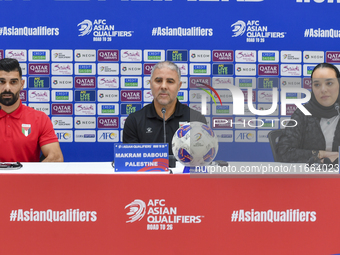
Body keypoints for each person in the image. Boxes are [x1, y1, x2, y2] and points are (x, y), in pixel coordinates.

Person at [123, 61, 207, 155]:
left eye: (170, 82)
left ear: (179, 86)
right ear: (150, 84)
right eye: (158, 81)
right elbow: (131, 163)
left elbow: (201, 158)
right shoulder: (134, 121)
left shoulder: (196, 119)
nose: (163, 86)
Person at [0, 58, 63, 162]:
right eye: (1, 82)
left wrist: (29, 177)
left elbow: (56, 158)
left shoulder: (39, 118)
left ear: (21, 84)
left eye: (13, 82)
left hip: (26, 179)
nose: (7, 88)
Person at [278, 63, 340, 163]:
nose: (323, 90)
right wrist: (322, 154)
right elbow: (283, 153)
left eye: (329, 83)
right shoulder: (302, 114)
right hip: (309, 176)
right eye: (317, 85)